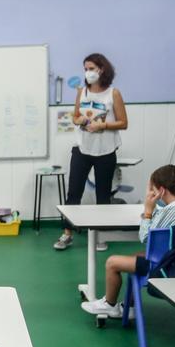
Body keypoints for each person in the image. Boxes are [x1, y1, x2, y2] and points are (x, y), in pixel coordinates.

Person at [80, 165, 175, 318]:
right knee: (138, 255)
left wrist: (148, 213)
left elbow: (145, 237)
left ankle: (109, 304)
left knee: (112, 262)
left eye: (154, 190)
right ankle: (129, 306)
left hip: (164, 266)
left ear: (161, 191)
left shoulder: (166, 215)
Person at [55, 53, 128, 250]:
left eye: (91, 68)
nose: (88, 72)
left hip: (105, 151)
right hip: (82, 148)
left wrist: (103, 125)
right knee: (73, 193)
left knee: (103, 194)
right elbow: (76, 116)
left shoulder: (113, 94)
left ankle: (100, 236)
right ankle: (67, 233)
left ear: (101, 69)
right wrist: (80, 120)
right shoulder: (82, 92)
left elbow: (123, 122)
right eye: (85, 69)